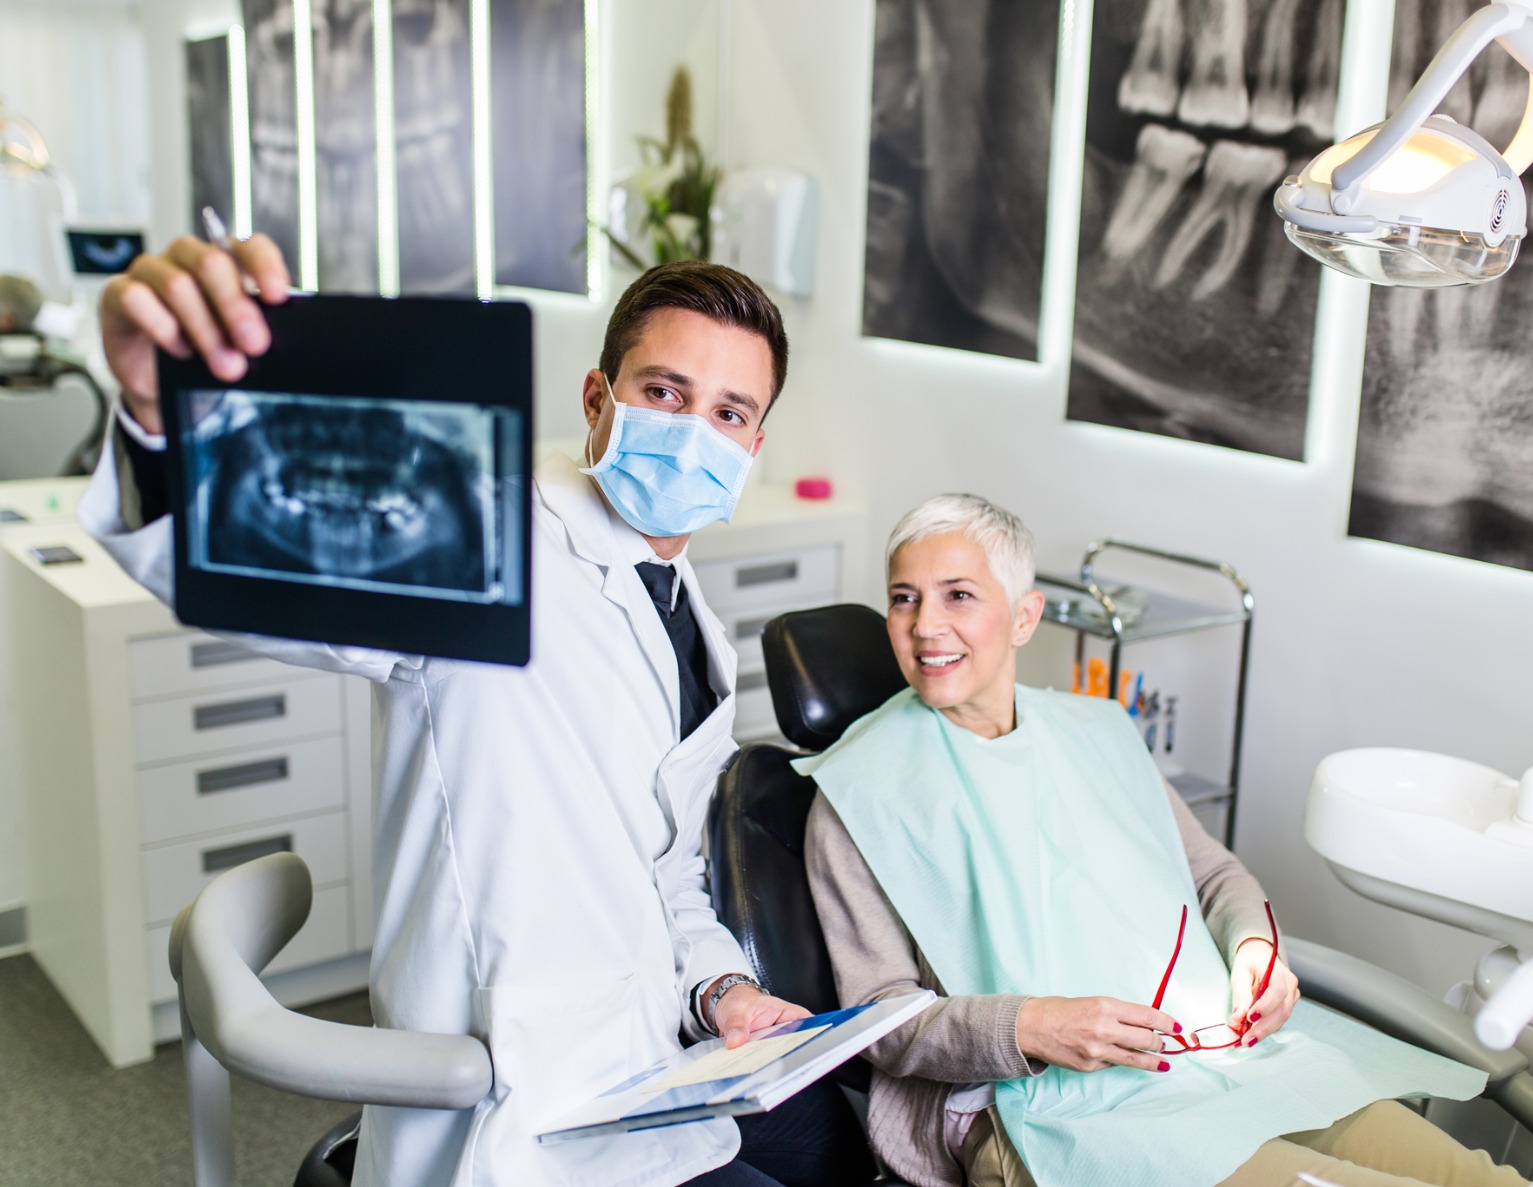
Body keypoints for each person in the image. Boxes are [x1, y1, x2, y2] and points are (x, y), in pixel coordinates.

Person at [82, 232, 873, 1187]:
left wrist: (720, 987)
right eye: (665, 393)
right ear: (598, 400)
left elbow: (666, 867)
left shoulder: (691, 620)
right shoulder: (490, 538)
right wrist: (152, 414)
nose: (694, 432)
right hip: (506, 1091)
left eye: (728, 412)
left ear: (751, 444)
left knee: (839, 1150)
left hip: (646, 1066)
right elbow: (276, 562)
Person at [800, 492, 1518, 1187]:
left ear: (1023, 617)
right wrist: (1028, 1026)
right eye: (902, 597)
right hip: (1044, 1112)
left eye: (957, 594)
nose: (924, 624)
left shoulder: (1097, 732)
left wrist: (1252, 946)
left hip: (1218, 1063)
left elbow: (1211, 873)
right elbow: (882, 1022)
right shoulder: (857, 795)